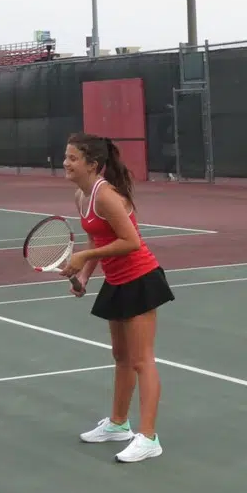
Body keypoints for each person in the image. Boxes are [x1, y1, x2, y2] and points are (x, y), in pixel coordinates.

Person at [60, 132, 174, 463]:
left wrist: (81, 257)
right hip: (116, 281)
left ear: (92, 164)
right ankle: (118, 424)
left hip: (141, 279)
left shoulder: (106, 196)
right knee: (120, 356)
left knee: (142, 360)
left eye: (72, 158)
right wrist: (83, 276)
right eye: (65, 157)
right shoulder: (80, 197)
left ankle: (149, 437)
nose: (66, 163)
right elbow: (98, 238)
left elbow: (131, 242)